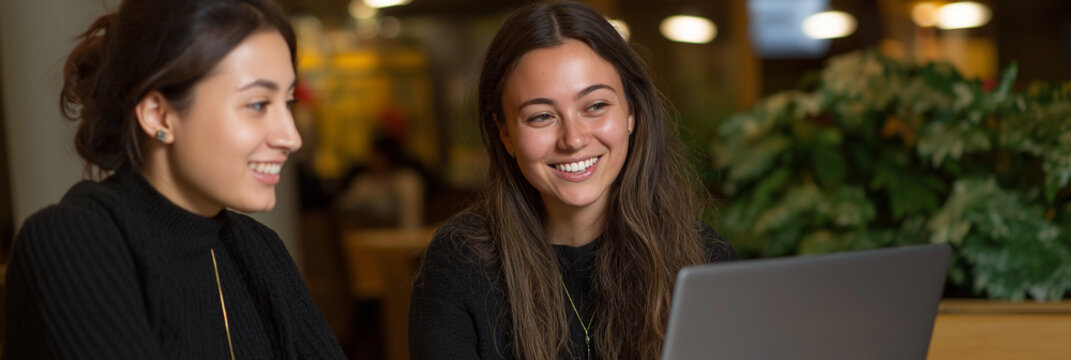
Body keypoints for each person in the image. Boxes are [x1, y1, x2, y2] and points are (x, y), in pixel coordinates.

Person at [2, 0, 346, 358]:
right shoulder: (72, 241)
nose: (290, 137)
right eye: (258, 104)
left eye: (288, 103)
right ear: (159, 116)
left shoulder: (260, 249)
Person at [407, 1, 737, 359]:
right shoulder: (460, 263)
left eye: (595, 106)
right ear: (504, 134)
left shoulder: (704, 259)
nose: (574, 139)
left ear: (631, 112)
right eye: (542, 116)